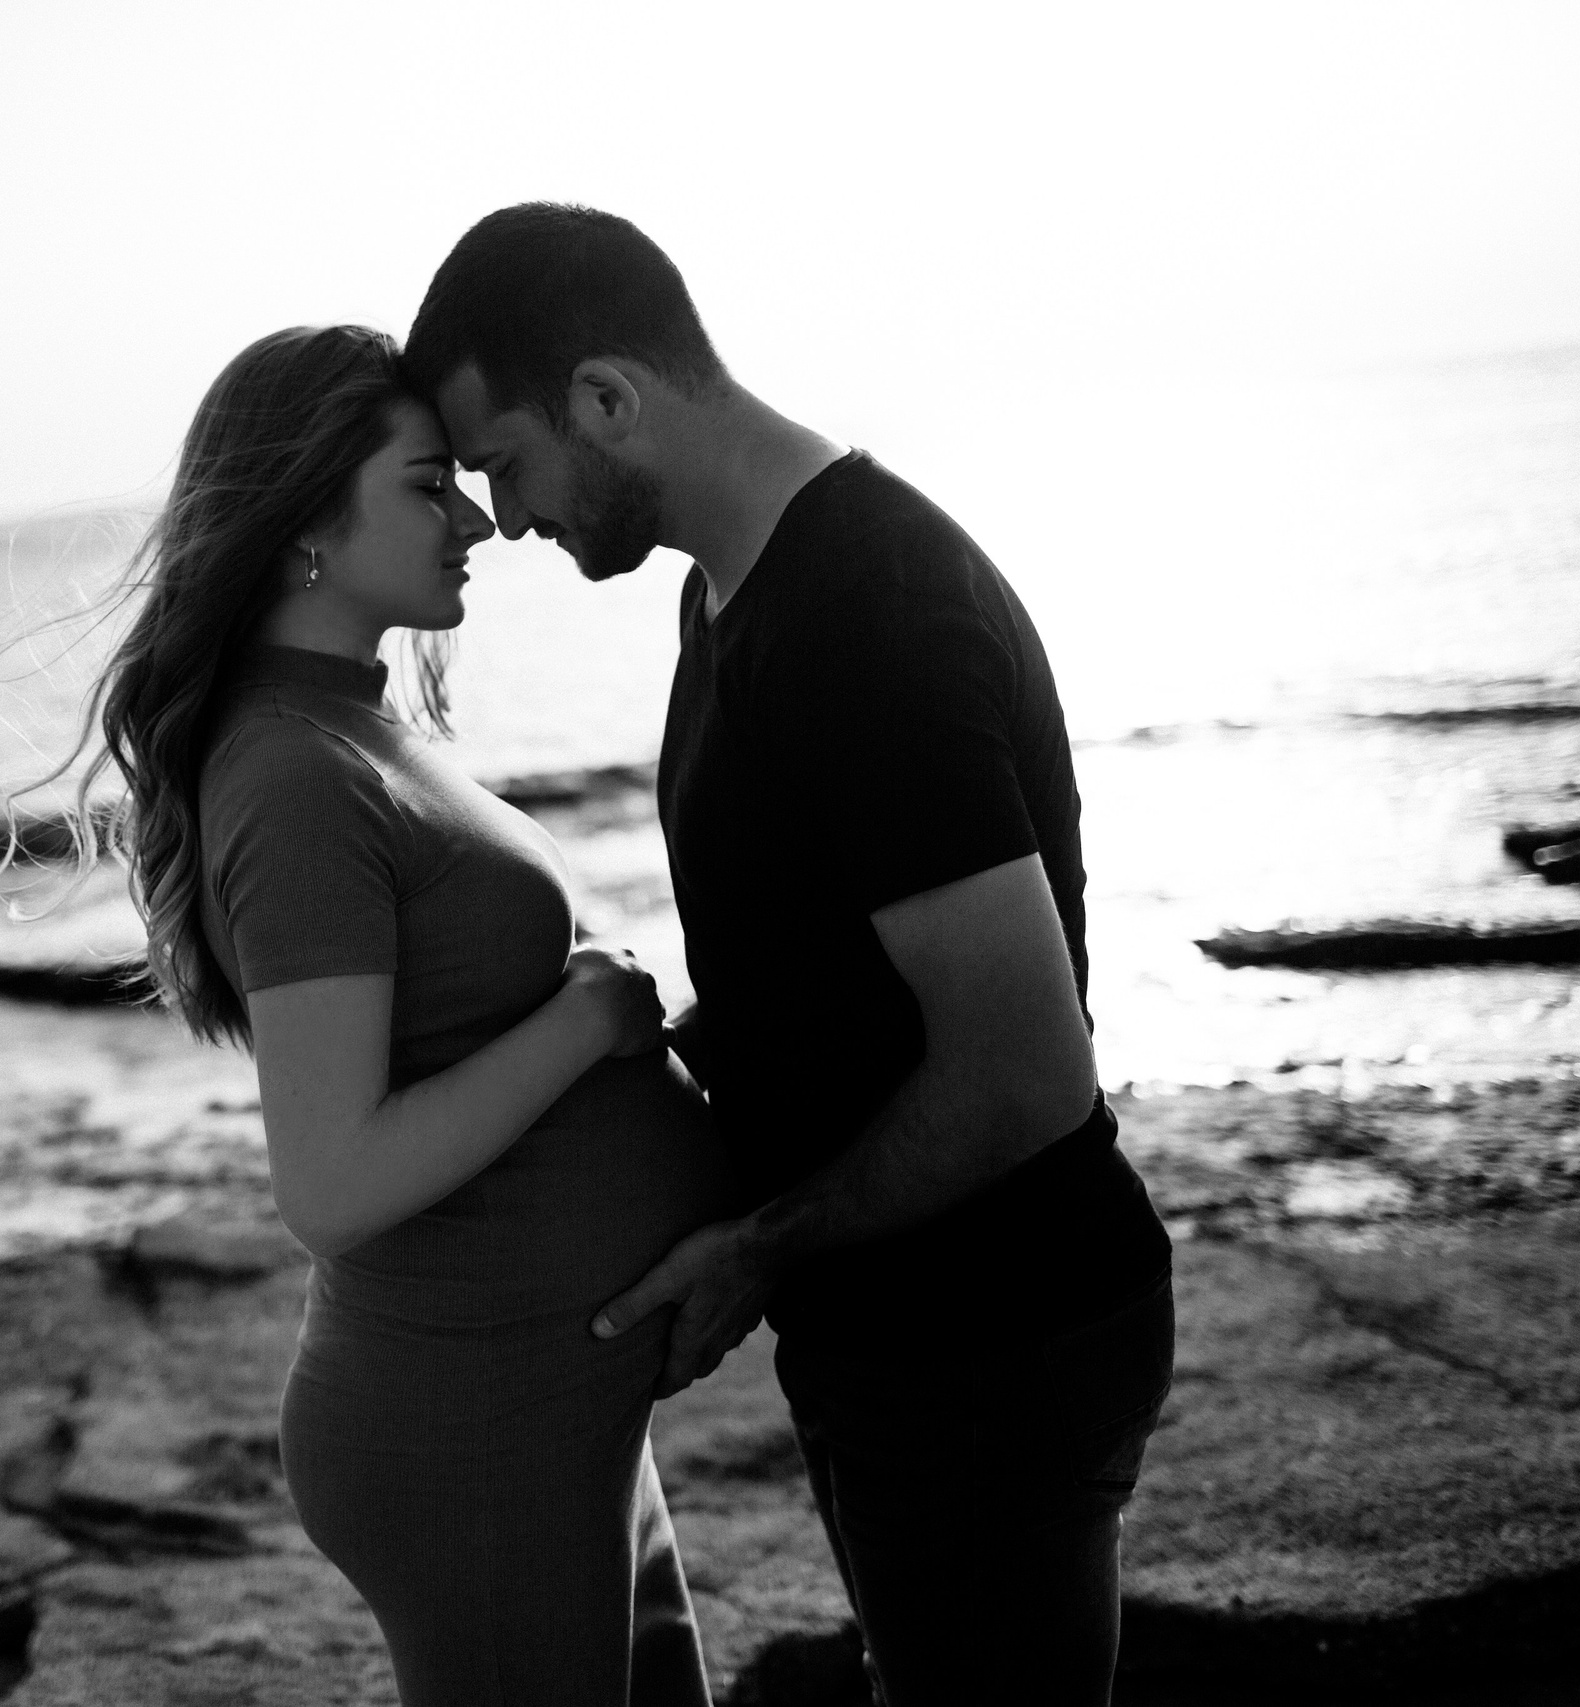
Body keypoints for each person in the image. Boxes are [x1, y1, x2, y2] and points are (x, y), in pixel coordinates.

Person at [404, 205, 1177, 1707]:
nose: (500, 519)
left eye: (504, 463)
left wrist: (757, 1249)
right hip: (900, 1335)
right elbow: (829, 982)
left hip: (992, 1340)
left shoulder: (868, 610)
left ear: (609, 400)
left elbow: (1023, 1071)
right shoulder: (731, 595)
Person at [50, 322, 733, 1705]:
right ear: (306, 520)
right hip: (470, 1425)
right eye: (429, 484)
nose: (479, 517)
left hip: (543, 1401)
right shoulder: (294, 774)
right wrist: (584, 1023)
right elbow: (331, 1182)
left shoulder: (359, 725)